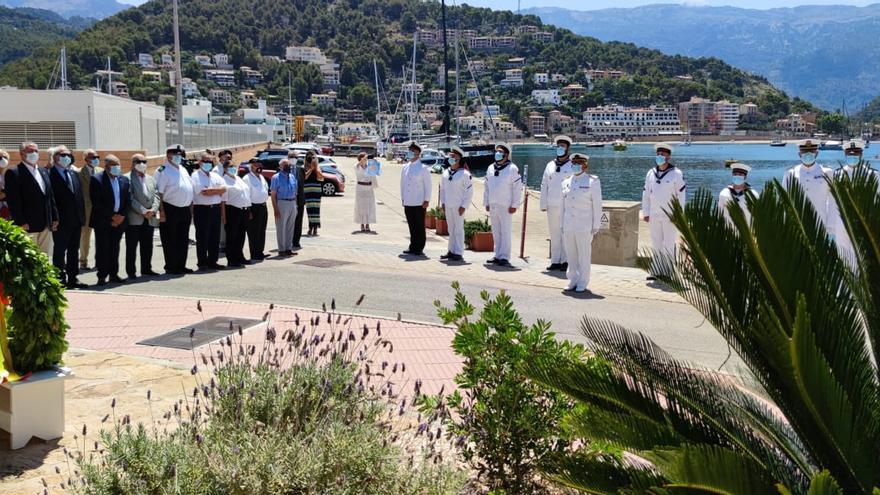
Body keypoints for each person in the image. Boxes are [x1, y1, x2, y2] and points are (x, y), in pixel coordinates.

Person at [4, 141, 58, 254]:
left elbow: (50, 196)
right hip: (28, 225)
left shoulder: (43, 171)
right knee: (29, 258)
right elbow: (13, 200)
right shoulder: (14, 173)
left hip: (46, 224)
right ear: (21, 154)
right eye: (30, 151)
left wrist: (54, 217)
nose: (34, 153)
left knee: (45, 256)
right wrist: (20, 221)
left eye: (36, 151)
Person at [641, 142, 686, 279]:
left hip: (670, 215)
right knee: (656, 243)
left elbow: (681, 196)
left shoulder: (676, 173)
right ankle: (656, 271)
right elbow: (646, 194)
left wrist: (679, 215)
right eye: (658, 154)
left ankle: (668, 272)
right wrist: (646, 212)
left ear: (668, 157)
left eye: (663, 154)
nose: (660, 156)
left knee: (669, 243)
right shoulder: (651, 173)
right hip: (654, 215)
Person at [561, 153, 602, 293]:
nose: (575, 165)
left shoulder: (592, 182)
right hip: (568, 224)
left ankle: (583, 281)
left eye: (579, 163)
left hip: (584, 225)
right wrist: (562, 224)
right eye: (574, 163)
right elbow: (563, 206)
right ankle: (572, 279)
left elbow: (597, 205)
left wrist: (596, 225)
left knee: (584, 254)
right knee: (571, 254)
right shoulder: (566, 181)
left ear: (585, 166)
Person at [48, 145, 87, 289]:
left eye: (68, 154)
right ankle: (59, 279)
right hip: (60, 221)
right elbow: (50, 200)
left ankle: (73, 278)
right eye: (62, 154)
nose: (66, 157)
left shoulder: (72, 173)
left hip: (76, 220)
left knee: (73, 250)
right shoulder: (49, 174)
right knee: (59, 250)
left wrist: (81, 217)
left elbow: (79, 196)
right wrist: (54, 218)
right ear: (55, 157)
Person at [833, 139, 878, 262]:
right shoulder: (837, 174)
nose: (852, 157)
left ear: (861, 155)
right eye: (849, 155)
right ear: (845, 155)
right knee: (843, 255)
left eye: (855, 154)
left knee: (864, 256)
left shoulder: (873, 175)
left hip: (865, 221)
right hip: (842, 221)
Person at [90, 155, 130, 286]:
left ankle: (114, 274)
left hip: (120, 221)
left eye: (118, 164)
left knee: (115, 248)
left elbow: (127, 200)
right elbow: (97, 203)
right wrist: (112, 216)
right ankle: (102, 276)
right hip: (103, 221)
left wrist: (121, 216)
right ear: (107, 167)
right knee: (103, 249)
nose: (117, 167)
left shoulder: (124, 179)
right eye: (114, 165)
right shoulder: (97, 179)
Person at [155, 144, 194, 275]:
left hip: (184, 209)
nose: (179, 157)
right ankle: (171, 266)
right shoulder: (162, 170)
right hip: (170, 208)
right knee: (170, 239)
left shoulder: (182, 168)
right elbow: (159, 193)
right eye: (176, 155)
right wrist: (161, 212)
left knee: (183, 240)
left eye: (180, 155)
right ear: (168, 155)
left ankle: (181, 265)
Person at [483, 143, 522, 267]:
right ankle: (497, 254)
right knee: (496, 231)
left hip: (506, 205)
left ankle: (504, 256)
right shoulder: (490, 168)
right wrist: (486, 202)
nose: (497, 154)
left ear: (506, 154)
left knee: (505, 232)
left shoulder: (512, 168)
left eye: (500, 152)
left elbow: (517, 188)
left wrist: (515, 204)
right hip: (493, 204)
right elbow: (486, 186)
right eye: (496, 152)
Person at [540, 135, 575, 271]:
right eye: (558, 146)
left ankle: (566, 261)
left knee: (565, 233)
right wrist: (543, 204)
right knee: (554, 233)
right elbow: (544, 184)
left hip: (566, 206)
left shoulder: (573, 165)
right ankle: (555, 260)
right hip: (552, 204)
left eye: (563, 146)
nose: (560, 148)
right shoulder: (550, 165)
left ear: (568, 148)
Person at [783, 139, 834, 228]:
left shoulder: (827, 172)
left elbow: (833, 201)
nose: (808, 153)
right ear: (799, 154)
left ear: (816, 153)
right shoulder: (790, 173)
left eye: (811, 151)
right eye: (805, 151)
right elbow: (784, 199)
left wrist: (831, 224)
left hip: (820, 222)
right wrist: (785, 222)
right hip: (797, 222)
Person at [125, 154, 160, 280]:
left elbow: (156, 195)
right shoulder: (127, 178)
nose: (142, 163)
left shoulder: (150, 178)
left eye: (144, 161)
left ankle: (146, 269)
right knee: (132, 247)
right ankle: (131, 272)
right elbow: (130, 197)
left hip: (149, 217)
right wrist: (143, 211)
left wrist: (153, 209)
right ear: (132, 163)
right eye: (138, 161)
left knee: (147, 245)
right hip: (135, 218)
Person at [190, 152, 226, 271]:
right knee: (202, 237)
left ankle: (213, 261)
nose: (208, 164)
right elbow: (203, 192)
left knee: (214, 237)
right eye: (205, 161)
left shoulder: (215, 175)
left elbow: (224, 188)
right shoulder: (195, 176)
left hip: (215, 209)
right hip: (202, 209)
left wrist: (213, 190)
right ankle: (202, 263)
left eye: (210, 162)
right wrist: (217, 190)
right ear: (200, 162)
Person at [440, 146, 473, 262]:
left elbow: (469, 192)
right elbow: (442, 190)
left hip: (458, 206)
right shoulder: (445, 173)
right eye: (450, 156)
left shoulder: (464, 174)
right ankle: (451, 250)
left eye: (454, 156)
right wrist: (442, 203)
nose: (451, 158)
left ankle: (458, 252)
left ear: (459, 159)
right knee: (451, 229)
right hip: (448, 205)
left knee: (458, 229)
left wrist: (464, 206)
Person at [399, 141, 432, 256]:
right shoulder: (405, 167)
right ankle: (412, 246)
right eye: (409, 150)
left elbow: (428, 185)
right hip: (408, 200)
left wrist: (427, 199)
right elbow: (402, 184)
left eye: (412, 151)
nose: (410, 152)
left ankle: (419, 247)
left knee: (419, 225)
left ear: (418, 152)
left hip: (419, 201)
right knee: (411, 225)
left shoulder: (423, 168)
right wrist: (403, 198)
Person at [221, 159, 252, 267]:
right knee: (232, 236)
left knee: (241, 235)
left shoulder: (238, 178)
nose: (233, 168)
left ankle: (240, 256)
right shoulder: (223, 180)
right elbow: (223, 201)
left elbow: (246, 194)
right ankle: (232, 259)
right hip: (232, 210)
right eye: (230, 166)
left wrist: (248, 210)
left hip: (244, 210)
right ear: (225, 169)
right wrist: (224, 217)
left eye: (234, 166)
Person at [78, 149, 101, 270]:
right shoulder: (79, 173)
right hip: (86, 210)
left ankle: (100, 260)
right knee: (85, 236)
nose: (96, 159)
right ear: (85, 159)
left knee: (101, 236)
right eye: (92, 157)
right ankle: (83, 261)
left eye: (97, 157)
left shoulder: (101, 171)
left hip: (100, 209)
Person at [271, 158, 299, 256]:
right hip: (282, 203)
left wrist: (295, 205)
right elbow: (273, 195)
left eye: (288, 164)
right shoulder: (276, 177)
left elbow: (295, 193)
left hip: (292, 203)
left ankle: (288, 248)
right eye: (284, 164)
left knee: (290, 227)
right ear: (280, 167)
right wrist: (275, 209)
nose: (287, 166)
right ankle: (281, 249)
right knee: (281, 227)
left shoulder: (292, 177)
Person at [244, 157, 269, 261]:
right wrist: (249, 211)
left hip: (263, 206)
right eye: (256, 165)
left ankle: (260, 252)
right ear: (251, 166)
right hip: (253, 208)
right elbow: (246, 195)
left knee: (262, 230)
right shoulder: (247, 178)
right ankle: (254, 253)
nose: (259, 167)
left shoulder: (261, 177)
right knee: (253, 231)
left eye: (259, 165)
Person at [718, 162, 757, 227]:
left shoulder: (753, 194)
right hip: (728, 232)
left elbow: (756, 215)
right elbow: (719, 213)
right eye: (735, 174)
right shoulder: (724, 193)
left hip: (747, 233)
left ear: (745, 177)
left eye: (740, 174)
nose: (737, 176)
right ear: (732, 175)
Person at [287, 150, 307, 249]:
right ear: (288, 158)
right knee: (289, 221)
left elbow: (303, 185)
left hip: (299, 199)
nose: (293, 158)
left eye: (295, 157)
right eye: (291, 156)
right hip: (288, 199)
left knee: (298, 221)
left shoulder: (301, 170)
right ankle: (287, 241)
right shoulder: (284, 169)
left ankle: (296, 241)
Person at [302, 151, 325, 236]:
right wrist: (310, 169)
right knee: (309, 209)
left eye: (312, 157)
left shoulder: (317, 167)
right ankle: (310, 227)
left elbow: (322, 178)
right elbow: (304, 177)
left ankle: (315, 228)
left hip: (316, 189)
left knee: (316, 209)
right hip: (308, 189)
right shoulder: (304, 167)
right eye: (309, 157)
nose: (310, 158)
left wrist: (315, 169)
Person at [354, 152, 377, 232]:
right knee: (360, 207)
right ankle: (361, 224)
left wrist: (372, 161)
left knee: (369, 206)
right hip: (360, 188)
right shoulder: (357, 167)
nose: (366, 160)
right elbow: (359, 163)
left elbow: (375, 172)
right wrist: (366, 156)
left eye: (366, 159)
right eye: (364, 159)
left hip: (369, 188)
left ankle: (367, 224)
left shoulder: (370, 167)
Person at [0, 150, 11, 220]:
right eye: (0, 157)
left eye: (5, 157)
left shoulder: (9, 174)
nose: (3, 159)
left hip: (7, 207)